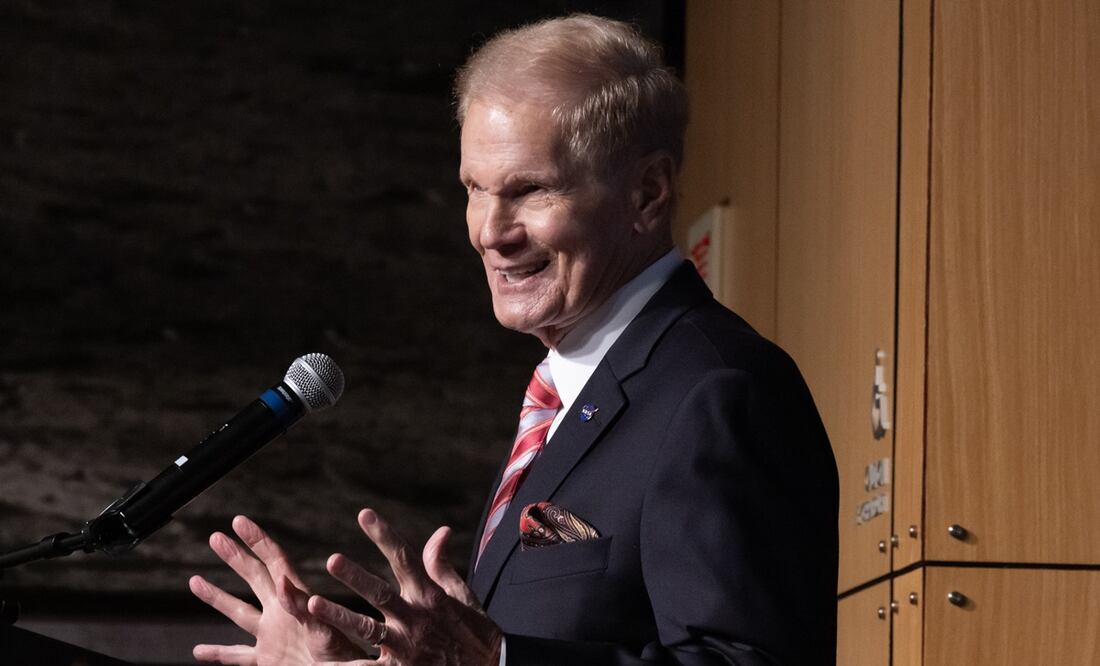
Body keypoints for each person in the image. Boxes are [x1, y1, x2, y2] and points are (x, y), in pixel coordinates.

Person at [189, 14, 839, 666]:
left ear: (647, 192)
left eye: (529, 190)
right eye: (475, 189)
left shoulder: (720, 393)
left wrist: (494, 662)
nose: (490, 232)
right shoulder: (565, 398)